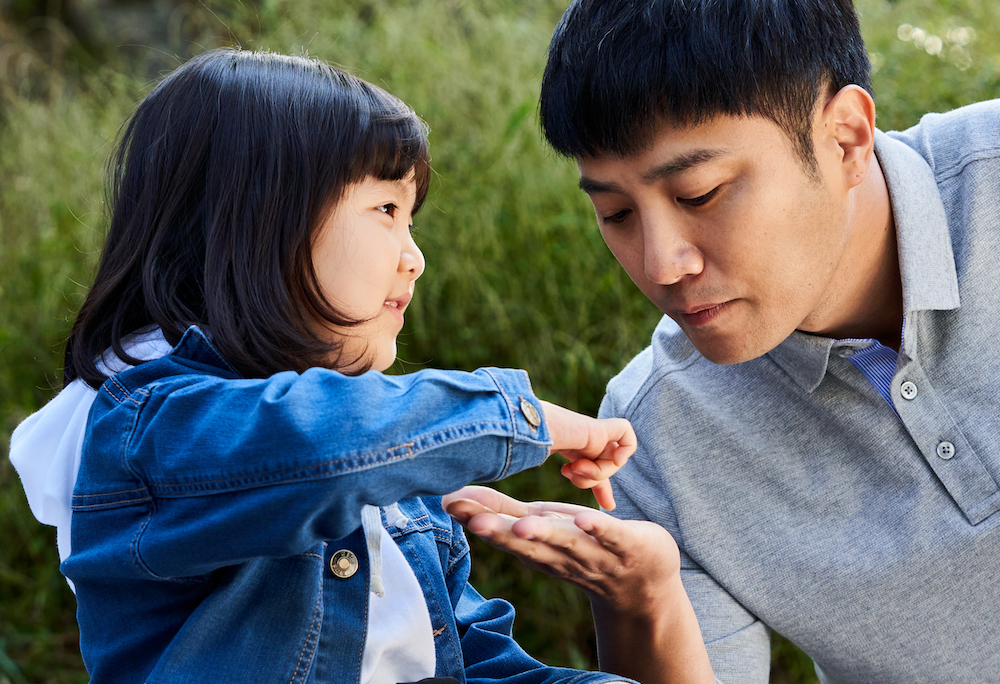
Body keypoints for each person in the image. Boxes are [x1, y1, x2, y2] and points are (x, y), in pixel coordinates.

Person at [8, 48, 711, 684]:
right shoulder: (153, 432)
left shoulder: (397, 486)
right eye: (385, 209)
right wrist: (519, 418)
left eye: (413, 219)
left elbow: (475, 664)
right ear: (257, 223)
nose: (415, 256)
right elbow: (319, 447)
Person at [444, 0, 1000, 683]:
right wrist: (642, 601)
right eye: (615, 213)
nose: (661, 264)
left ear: (846, 138)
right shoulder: (659, 436)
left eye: (698, 194)